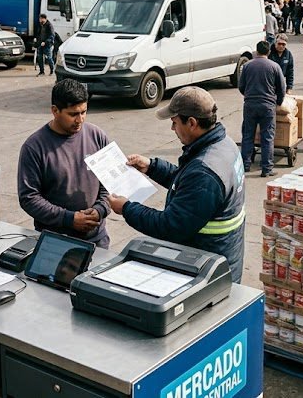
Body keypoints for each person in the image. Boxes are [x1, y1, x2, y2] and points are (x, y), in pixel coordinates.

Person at [108, 88, 245, 282]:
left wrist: (127, 208)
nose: (172, 129)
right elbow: (188, 184)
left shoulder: (205, 172)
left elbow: (170, 226)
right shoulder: (223, 145)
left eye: (174, 122)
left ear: (192, 123)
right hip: (222, 257)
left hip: (206, 271)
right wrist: (152, 167)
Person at [17, 79, 111, 247]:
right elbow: (29, 198)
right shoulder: (34, 147)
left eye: (84, 112)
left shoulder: (97, 136)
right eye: (73, 114)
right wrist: (69, 219)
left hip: (97, 241)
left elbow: (111, 182)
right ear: (55, 111)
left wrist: (99, 210)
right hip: (54, 243)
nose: (80, 120)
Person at [239, 41, 286, 178]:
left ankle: (245, 165)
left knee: (248, 135)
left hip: (250, 105)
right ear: (269, 52)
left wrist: (249, 96)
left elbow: (241, 86)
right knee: (267, 137)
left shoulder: (247, 66)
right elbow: (281, 88)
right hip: (268, 106)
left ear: (256, 51)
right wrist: (278, 102)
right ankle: (266, 168)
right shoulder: (274, 66)